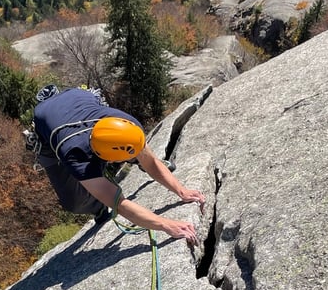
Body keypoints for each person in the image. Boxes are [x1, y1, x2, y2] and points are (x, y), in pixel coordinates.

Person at [29, 86, 205, 245]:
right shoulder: (76, 156)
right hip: (47, 131)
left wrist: (181, 191)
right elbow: (119, 203)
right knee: (73, 202)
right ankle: (97, 206)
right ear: (104, 158)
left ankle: (137, 159)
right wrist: (166, 225)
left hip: (76, 99)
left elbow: (151, 162)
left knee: (137, 151)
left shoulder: (126, 123)